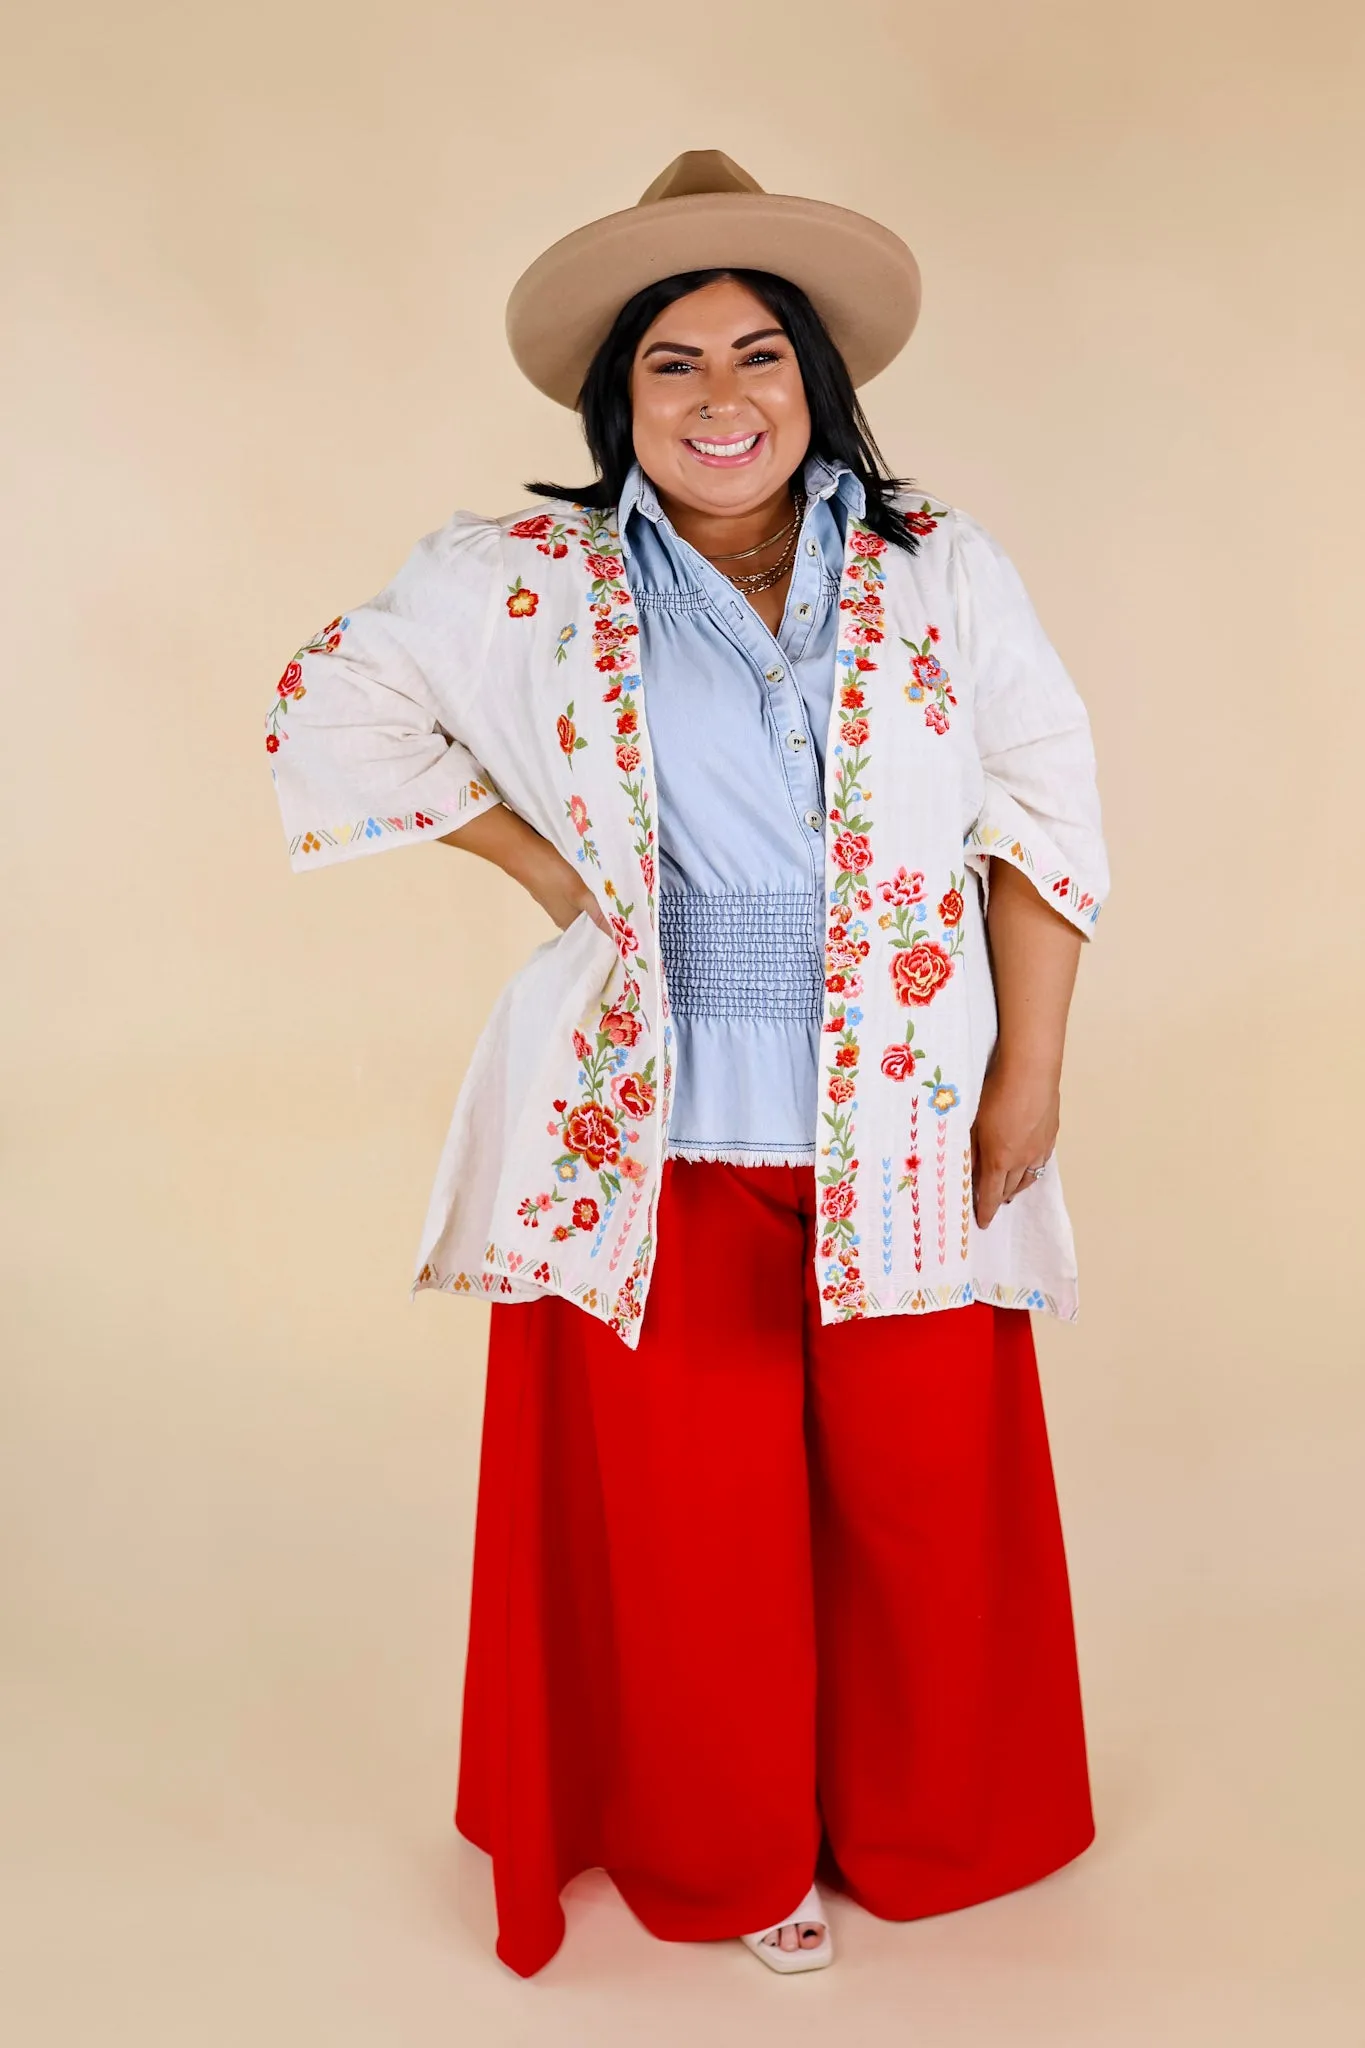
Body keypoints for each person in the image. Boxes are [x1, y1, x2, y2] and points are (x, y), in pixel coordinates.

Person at [265, 149, 1110, 1978]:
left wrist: (1025, 1073)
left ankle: (922, 1826)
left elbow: (1045, 816)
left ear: (818, 385)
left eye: (760, 357)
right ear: (615, 395)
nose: (721, 397)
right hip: (653, 1124)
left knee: (916, 1499)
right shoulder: (522, 584)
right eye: (673, 362)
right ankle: (725, 1853)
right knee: (692, 1529)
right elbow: (330, 699)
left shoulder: (940, 569)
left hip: (902, 1101)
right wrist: (548, 865)